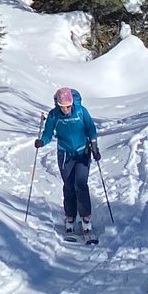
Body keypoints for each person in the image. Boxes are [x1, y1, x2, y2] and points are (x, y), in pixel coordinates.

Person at [35, 86, 99, 237]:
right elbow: (48, 134)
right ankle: (70, 217)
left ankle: (86, 218)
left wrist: (95, 147)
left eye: (68, 106)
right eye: (62, 106)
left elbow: (91, 129)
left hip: (82, 153)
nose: (66, 109)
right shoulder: (54, 115)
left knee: (81, 185)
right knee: (69, 186)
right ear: (58, 104)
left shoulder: (81, 111)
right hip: (64, 155)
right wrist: (41, 142)